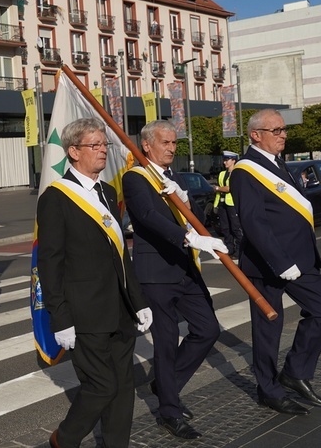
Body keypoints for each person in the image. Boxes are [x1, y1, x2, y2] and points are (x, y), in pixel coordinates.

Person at [37, 118, 150, 448]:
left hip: (119, 309)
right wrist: (61, 318)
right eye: (95, 145)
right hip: (84, 314)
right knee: (102, 386)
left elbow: (120, 255)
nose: (103, 151)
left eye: (105, 145)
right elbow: (50, 263)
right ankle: (65, 439)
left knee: (123, 385)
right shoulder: (55, 198)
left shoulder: (107, 191)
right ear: (73, 151)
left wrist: (139, 301)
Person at [122, 120, 226, 440]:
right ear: (148, 146)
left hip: (185, 269)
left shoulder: (174, 176)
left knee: (208, 329)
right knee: (165, 343)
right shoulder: (135, 178)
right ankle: (169, 410)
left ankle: (165, 385)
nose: (171, 148)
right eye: (165, 143)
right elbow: (148, 218)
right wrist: (187, 239)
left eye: (174, 143)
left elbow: (193, 213)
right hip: (156, 274)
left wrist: (183, 197)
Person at [231, 109, 321, 415]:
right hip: (269, 263)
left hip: (301, 259)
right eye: (275, 130)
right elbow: (254, 222)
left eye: (283, 129)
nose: (283, 135)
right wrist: (280, 261)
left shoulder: (279, 164)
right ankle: (269, 389)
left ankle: (294, 372)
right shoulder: (245, 171)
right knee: (268, 330)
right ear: (255, 135)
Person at [213, 151, 243, 257]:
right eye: (224, 160)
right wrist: (215, 205)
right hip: (222, 204)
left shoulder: (237, 173)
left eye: (227, 160)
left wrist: (218, 188)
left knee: (236, 228)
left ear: (233, 160)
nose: (224, 162)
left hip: (232, 204)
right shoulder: (222, 174)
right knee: (225, 228)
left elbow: (229, 188)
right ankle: (230, 248)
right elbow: (218, 192)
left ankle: (240, 250)